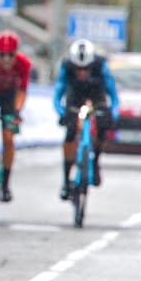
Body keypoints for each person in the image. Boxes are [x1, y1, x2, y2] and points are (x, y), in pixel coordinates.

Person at [53, 38, 120, 201]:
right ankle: (65, 180)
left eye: (86, 69)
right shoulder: (66, 66)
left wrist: (113, 112)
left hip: (97, 96)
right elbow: (57, 94)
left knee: (104, 126)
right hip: (75, 96)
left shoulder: (100, 66)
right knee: (70, 133)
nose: (82, 73)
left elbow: (113, 94)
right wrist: (61, 112)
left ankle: (95, 160)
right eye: (78, 69)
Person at [0, 30, 33, 202]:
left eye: (11, 55)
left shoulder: (24, 64)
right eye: (2, 55)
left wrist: (17, 111)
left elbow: (23, 90)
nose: (7, 59)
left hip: (10, 97)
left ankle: (6, 184)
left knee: (9, 138)